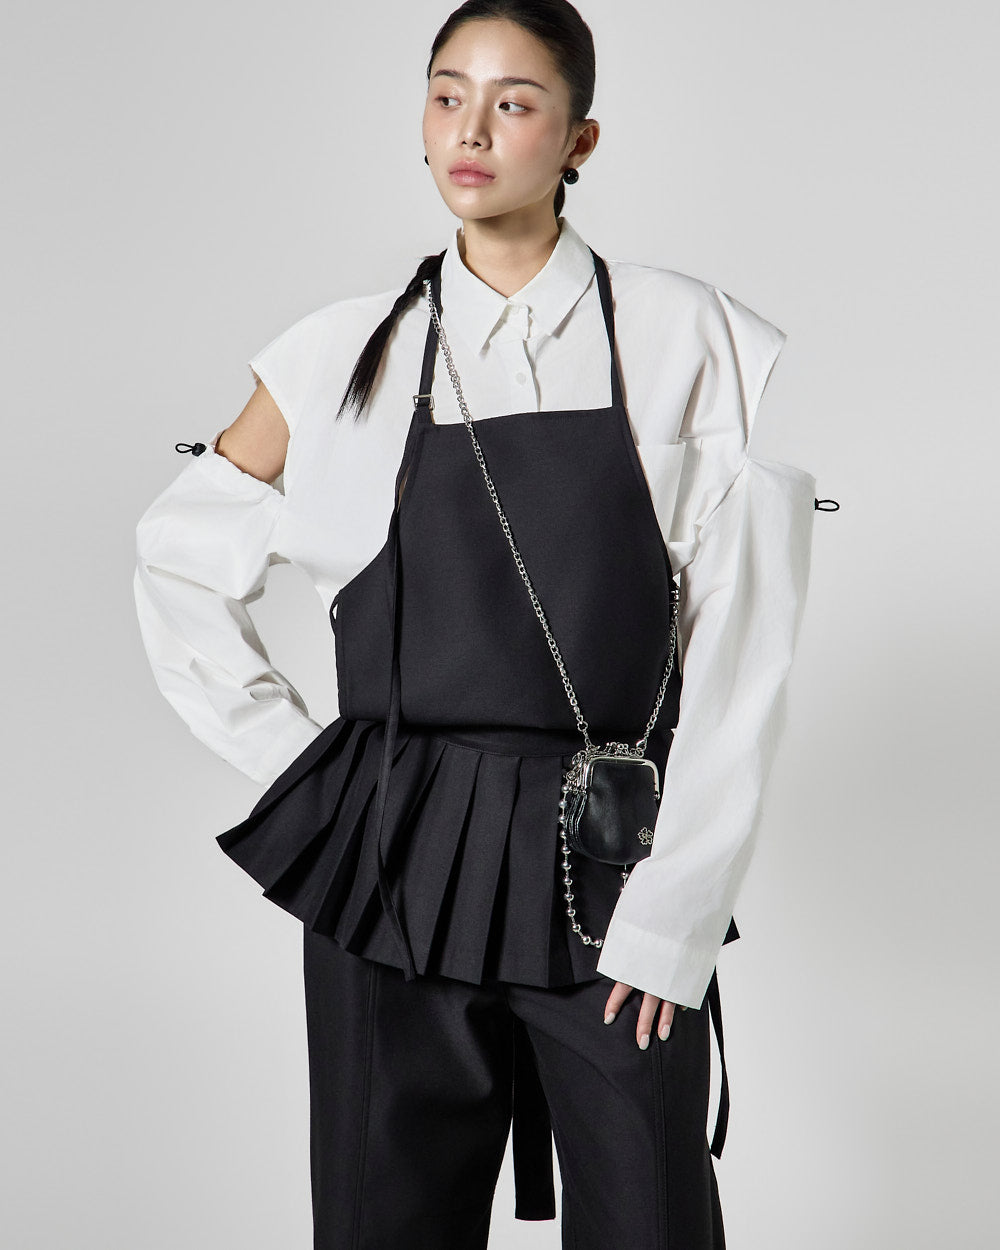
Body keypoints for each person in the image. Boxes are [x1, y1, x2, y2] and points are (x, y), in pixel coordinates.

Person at [133, 2, 824, 1245]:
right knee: (382, 1216)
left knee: (650, 1215)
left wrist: (676, 909)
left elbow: (741, 655)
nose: (472, 129)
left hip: (614, 856)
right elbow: (178, 558)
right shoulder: (336, 354)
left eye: (514, 102)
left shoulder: (690, 336)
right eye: (447, 95)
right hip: (391, 853)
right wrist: (307, 770)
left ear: (579, 139)